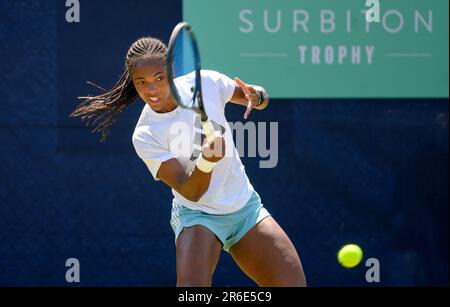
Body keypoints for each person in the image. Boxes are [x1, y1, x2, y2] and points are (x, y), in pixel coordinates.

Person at [70, 36, 306, 287]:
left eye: (159, 78)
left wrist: (256, 95)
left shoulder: (205, 83)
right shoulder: (145, 135)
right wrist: (207, 160)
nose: (151, 89)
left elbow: (259, 98)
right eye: (142, 83)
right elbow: (192, 191)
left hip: (244, 205)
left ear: (170, 71)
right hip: (198, 215)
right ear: (134, 83)